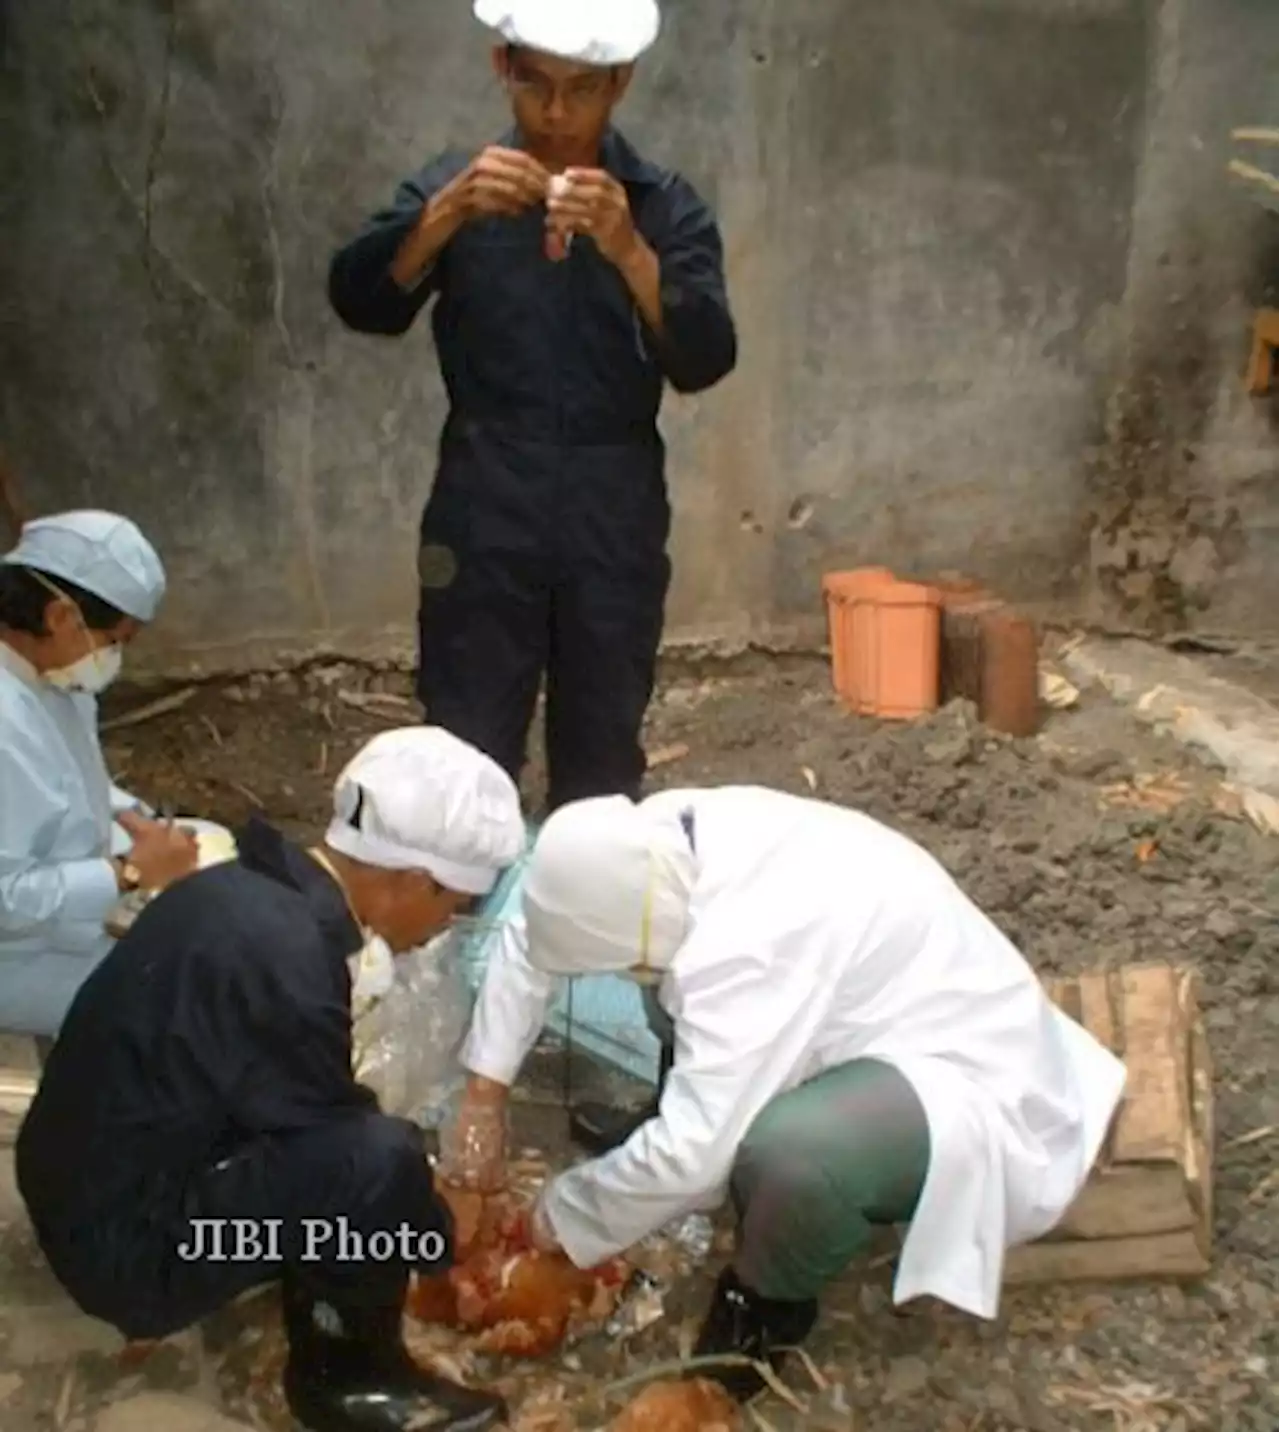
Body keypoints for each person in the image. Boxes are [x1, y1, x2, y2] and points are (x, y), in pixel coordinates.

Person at [445, 786, 1128, 1402]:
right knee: (668, 1004)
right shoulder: (645, 848)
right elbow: (534, 935)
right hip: (861, 1003)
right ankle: (667, 1139)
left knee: (796, 1153)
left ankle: (764, 1312)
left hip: (969, 1076)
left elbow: (695, 1156)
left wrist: (552, 1224)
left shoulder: (750, 945)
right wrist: (485, 1095)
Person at [16, 727, 526, 1432]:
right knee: (381, 1162)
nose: (444, 927)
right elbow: (344, 1146)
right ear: (410, 879)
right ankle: (350, 1385)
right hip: (127, 1257)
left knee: (369, 1152)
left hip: (74, 1187)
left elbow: (293, 1098)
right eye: (453, 905)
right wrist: (434, 1224)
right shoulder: (286, 958)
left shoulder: (242, 888)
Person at [327, 0, 737, 817]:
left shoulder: (661, 205)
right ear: (501, 67)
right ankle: (464, 926)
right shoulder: (459, 187)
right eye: (536, 85)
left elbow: (706, 357)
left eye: (581, 90)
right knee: (465, 747)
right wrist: (447, 212)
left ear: (620, 84)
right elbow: (361, 299)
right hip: (484, 495)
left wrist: (628, 250)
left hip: (611, 503)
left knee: (602, 747)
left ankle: (584, 927)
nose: (555, 112)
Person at [0, 510, 199, 1044]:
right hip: (13, 952)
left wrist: (136, 820)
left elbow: (70, 778)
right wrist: (126, 875)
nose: (113, 658)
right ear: (63, 616)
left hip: (59, 898)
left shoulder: (47, 676)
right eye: (115, 640)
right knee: (183, 1002)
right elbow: (7, 899)